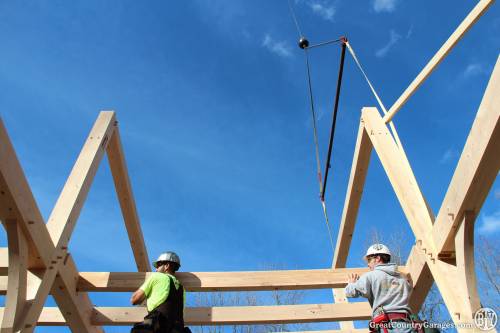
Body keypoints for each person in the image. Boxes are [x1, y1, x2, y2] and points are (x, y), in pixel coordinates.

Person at [345, 244, 414, 333]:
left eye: (369, 260)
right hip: (407, 325)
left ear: (377, 258)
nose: (368, 265)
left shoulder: (370, 276)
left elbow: (349, 292)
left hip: (388, 326)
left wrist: (351, 284)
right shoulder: (403, 279)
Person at [131, 251, 185, 333]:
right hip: (177, 329)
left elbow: (135, 300)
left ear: (167, 266)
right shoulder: (181, 288)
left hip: (157, 326)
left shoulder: (156, 277)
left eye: (158, 265)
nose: (156, 269)